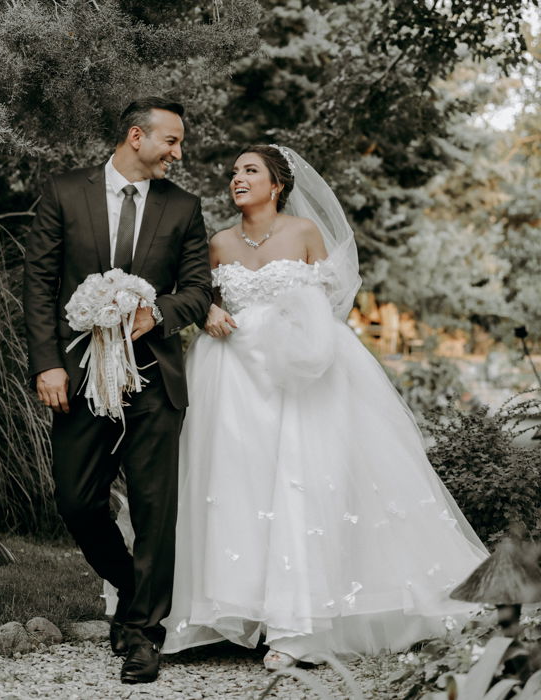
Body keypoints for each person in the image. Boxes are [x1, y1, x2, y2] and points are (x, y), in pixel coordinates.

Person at [106, 144, 487, 671]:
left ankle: (296, 626)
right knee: (233, 485)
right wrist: (212, 309)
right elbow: (194, 293)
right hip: (231, 373)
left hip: (301, 374)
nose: (237, 178)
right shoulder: (216, 241)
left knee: (298, 486)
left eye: (250, 171)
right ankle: (213, 615)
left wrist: (301, 329)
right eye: (235, 171)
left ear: (276, 184)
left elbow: (333, 295)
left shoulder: (305, 234)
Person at [23, 97, 212, 684]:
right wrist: (47, 364)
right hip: (78, 378)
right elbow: (39, 284)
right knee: (77, 500)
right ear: (137, 136)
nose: (178, 154)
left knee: (156, 509)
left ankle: (142, 634)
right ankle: (135, 586)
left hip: (154, 376)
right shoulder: (64, 191)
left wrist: (158, 312)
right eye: (172, 141)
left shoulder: (182, 207)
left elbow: (201, 289)